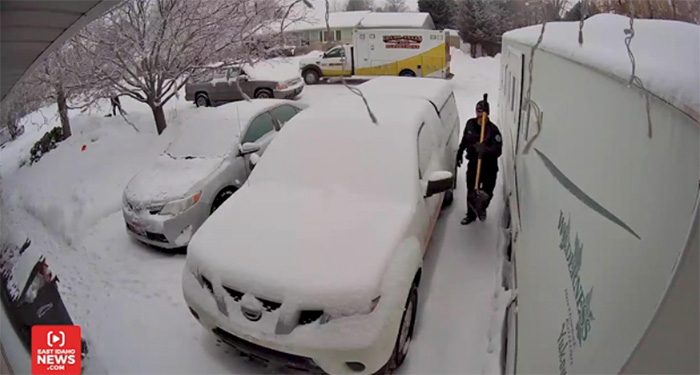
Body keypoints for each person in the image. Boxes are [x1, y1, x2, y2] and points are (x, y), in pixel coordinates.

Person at [456, 94, 503, 225]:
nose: (480, 115)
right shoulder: (470, 124)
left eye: (483, 113)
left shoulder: (493, 131)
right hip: (474, 164)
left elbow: (498, 150)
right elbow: (465, 140)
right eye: (478, 112)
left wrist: (486, 150)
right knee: (471, 191)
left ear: (488, 114)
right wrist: (459, 152)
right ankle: (470, 215)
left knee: (487, 192)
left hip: (489, 167)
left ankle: (482, 207)